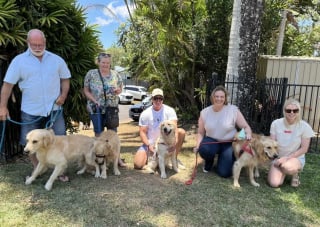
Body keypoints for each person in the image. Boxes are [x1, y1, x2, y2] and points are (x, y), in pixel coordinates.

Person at [0, 29, 71, 182]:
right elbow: (7, 85)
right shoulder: (19, 61)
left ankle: (59, 171)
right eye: (34, 44)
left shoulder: (56, 60)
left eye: (41, 44)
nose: (38, 47)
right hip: (30, 110)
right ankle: (37, 169)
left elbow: (65, 79)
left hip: (54, 110)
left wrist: (63, 95)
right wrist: (2, 107)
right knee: (30, 144)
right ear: (28, 43)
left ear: (45, 42)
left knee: (60, 140)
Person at [194, 85, 252, 178]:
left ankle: (223, 160)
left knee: (225, 173)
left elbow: (245, 127)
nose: (219, 99)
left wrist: (246, 134)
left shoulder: (233, 110)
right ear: (213, 97)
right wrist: (197, 146)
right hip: (211, 141)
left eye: (222, 97)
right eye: (217, 96)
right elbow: (201, 132)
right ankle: (209, 161)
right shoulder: (204, 112)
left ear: (225, 98)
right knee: (204, 149)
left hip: (228, 143)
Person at [83, 53, 126, 167]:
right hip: (96, 108)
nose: (105, 65)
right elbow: (86, 90)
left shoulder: (115, 74)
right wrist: (94, 100)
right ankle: (100, 159)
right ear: (98, 62)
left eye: (107, 63)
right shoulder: (91, 74)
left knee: (113, 135)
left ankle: (117, 158)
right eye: (103, 62)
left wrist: (118, 91)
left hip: (111, 108)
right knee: (99, 135)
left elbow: (121, 87)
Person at [133, 88, 186, 170]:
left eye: (160, 98)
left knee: (181, 132)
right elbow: (142, 133)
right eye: (155, 98)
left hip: (165, 142)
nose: (158, 101)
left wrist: (174, 144)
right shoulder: (145, 113)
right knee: (138, 164)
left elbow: (174, 128)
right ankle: (156, 159)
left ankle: (174, 159)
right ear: (152, 99)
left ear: (163, 99)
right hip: (150, 143)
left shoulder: (169, 110)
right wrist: (149, 145)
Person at [268, 98, 314, 188]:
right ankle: (281, 172)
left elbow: (304, 149)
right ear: (284, 111)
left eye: (295, 110)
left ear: (299, 111)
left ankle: (294, 174)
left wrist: (286, 158)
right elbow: (272, 143)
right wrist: (275, 158)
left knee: (287, 167)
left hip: (295, 158)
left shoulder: (305, 126)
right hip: (279, 158)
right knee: (274, 183)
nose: (292, 113)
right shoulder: (276, 123)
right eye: (288, 110)